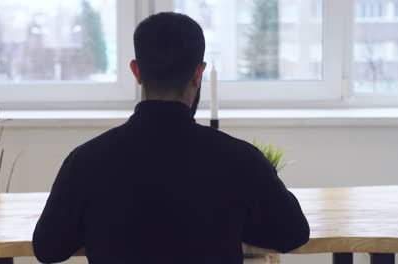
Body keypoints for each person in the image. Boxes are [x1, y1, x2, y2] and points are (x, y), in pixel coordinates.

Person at [33, 12, 309, 264]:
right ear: (199, 74)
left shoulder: (86, 161)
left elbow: (48, 248)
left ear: (136, 71)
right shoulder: (241, 160)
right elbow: (293, 234)